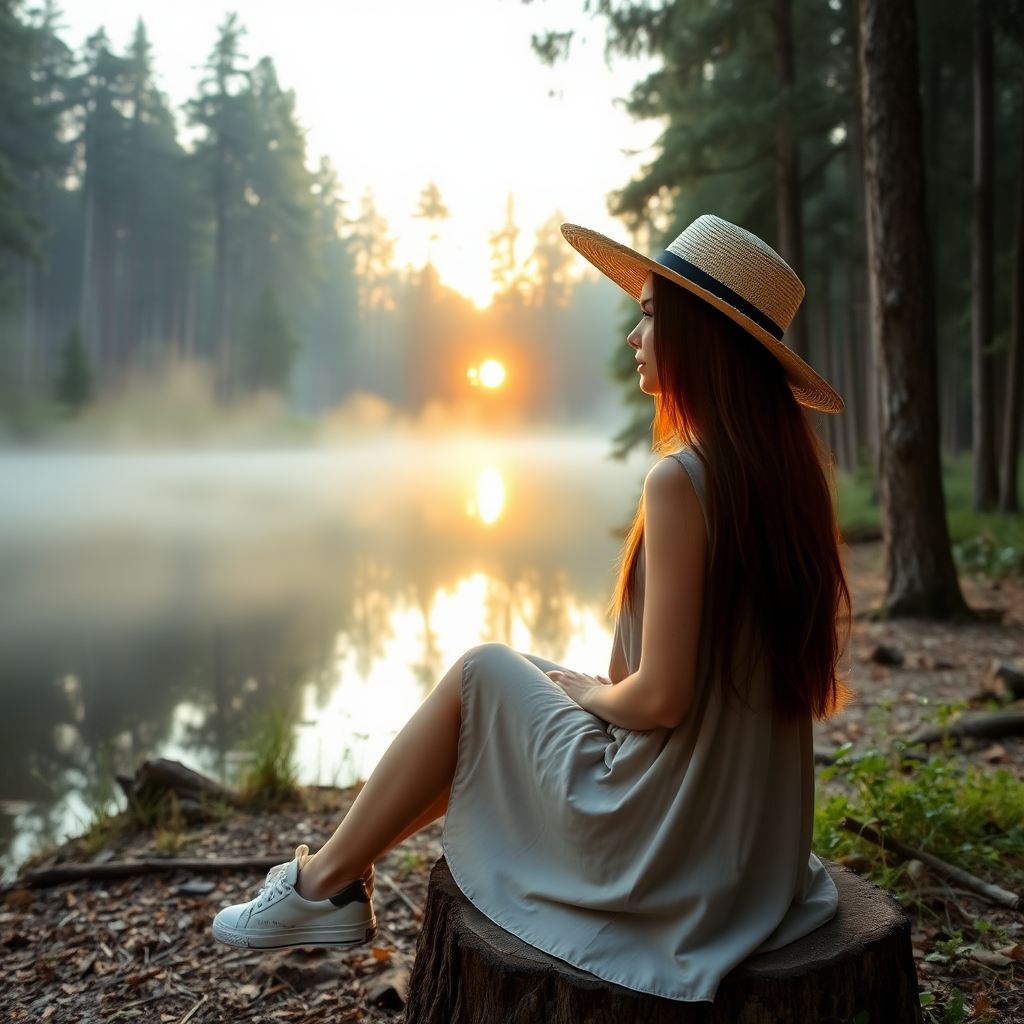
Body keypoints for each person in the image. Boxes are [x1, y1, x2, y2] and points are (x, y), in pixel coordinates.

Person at [212, 215, 850, 1003]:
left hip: (668, 843)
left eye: (651, 314)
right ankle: (333, 881)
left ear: (703, 337)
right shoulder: (784, 483)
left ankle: (323, 885)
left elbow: (660, 697)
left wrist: (591, 694)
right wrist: (590, 691)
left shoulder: (682, 481)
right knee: (517, 686)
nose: (634, 335)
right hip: (749, 846)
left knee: (483, 672)